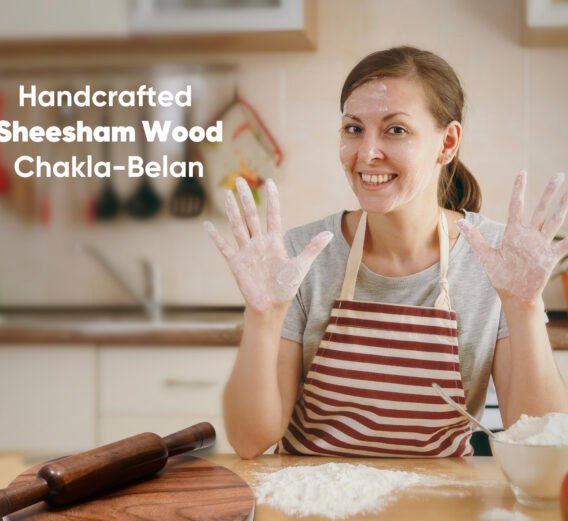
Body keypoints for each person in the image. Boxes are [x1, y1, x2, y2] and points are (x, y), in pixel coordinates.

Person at [204, 46, 568, 459]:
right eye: (353, 129)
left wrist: (523, 306)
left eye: (395, 130)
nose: (367, 153)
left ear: (447, 143)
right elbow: (250, 441)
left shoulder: (496, 261)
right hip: (308, 505)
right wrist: (262, 318)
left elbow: (541, 438)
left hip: (442, 509)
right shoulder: (300, 260)